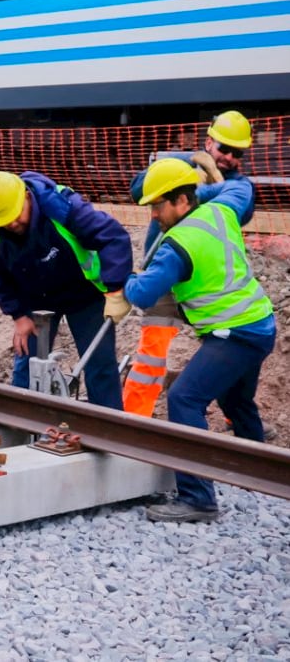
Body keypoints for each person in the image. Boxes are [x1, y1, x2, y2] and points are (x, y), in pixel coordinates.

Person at [119, 158, 273, 522]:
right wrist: (196, 184)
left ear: (182, 202)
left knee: (184, 398)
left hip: (234, 334)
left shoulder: (177, 246)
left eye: (158, 205)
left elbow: (142, 294)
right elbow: (241, 187)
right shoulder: (221, 210)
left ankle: (197, 498)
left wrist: (122, 278)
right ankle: (263, 475)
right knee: (235, 399)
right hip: (260, 324)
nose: (154, 216)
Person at [123, 110, 255, 415]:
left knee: (227, 355)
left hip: (206, 283)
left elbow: (240, 212)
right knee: (150, 359)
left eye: (238, 153)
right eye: (224, 148)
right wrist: (188, 174)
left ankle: (238, 419)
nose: (229, 157)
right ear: (209, 142)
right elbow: (137, 189)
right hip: (164, 276)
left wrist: (195, 189)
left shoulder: (239, 183)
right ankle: (132, 422)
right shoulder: (180, 162)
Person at [0, 171, 133, 410]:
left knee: (99, 366)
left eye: (16, 215)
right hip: (37, 301)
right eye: (4, 221)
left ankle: (109, 434)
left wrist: (115, 289)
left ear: (27, 197)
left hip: (83, 294)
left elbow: (113, 237)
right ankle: (22, 428)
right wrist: (18, 315)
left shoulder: (61, 207)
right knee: (28, 368)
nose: (12, 224)